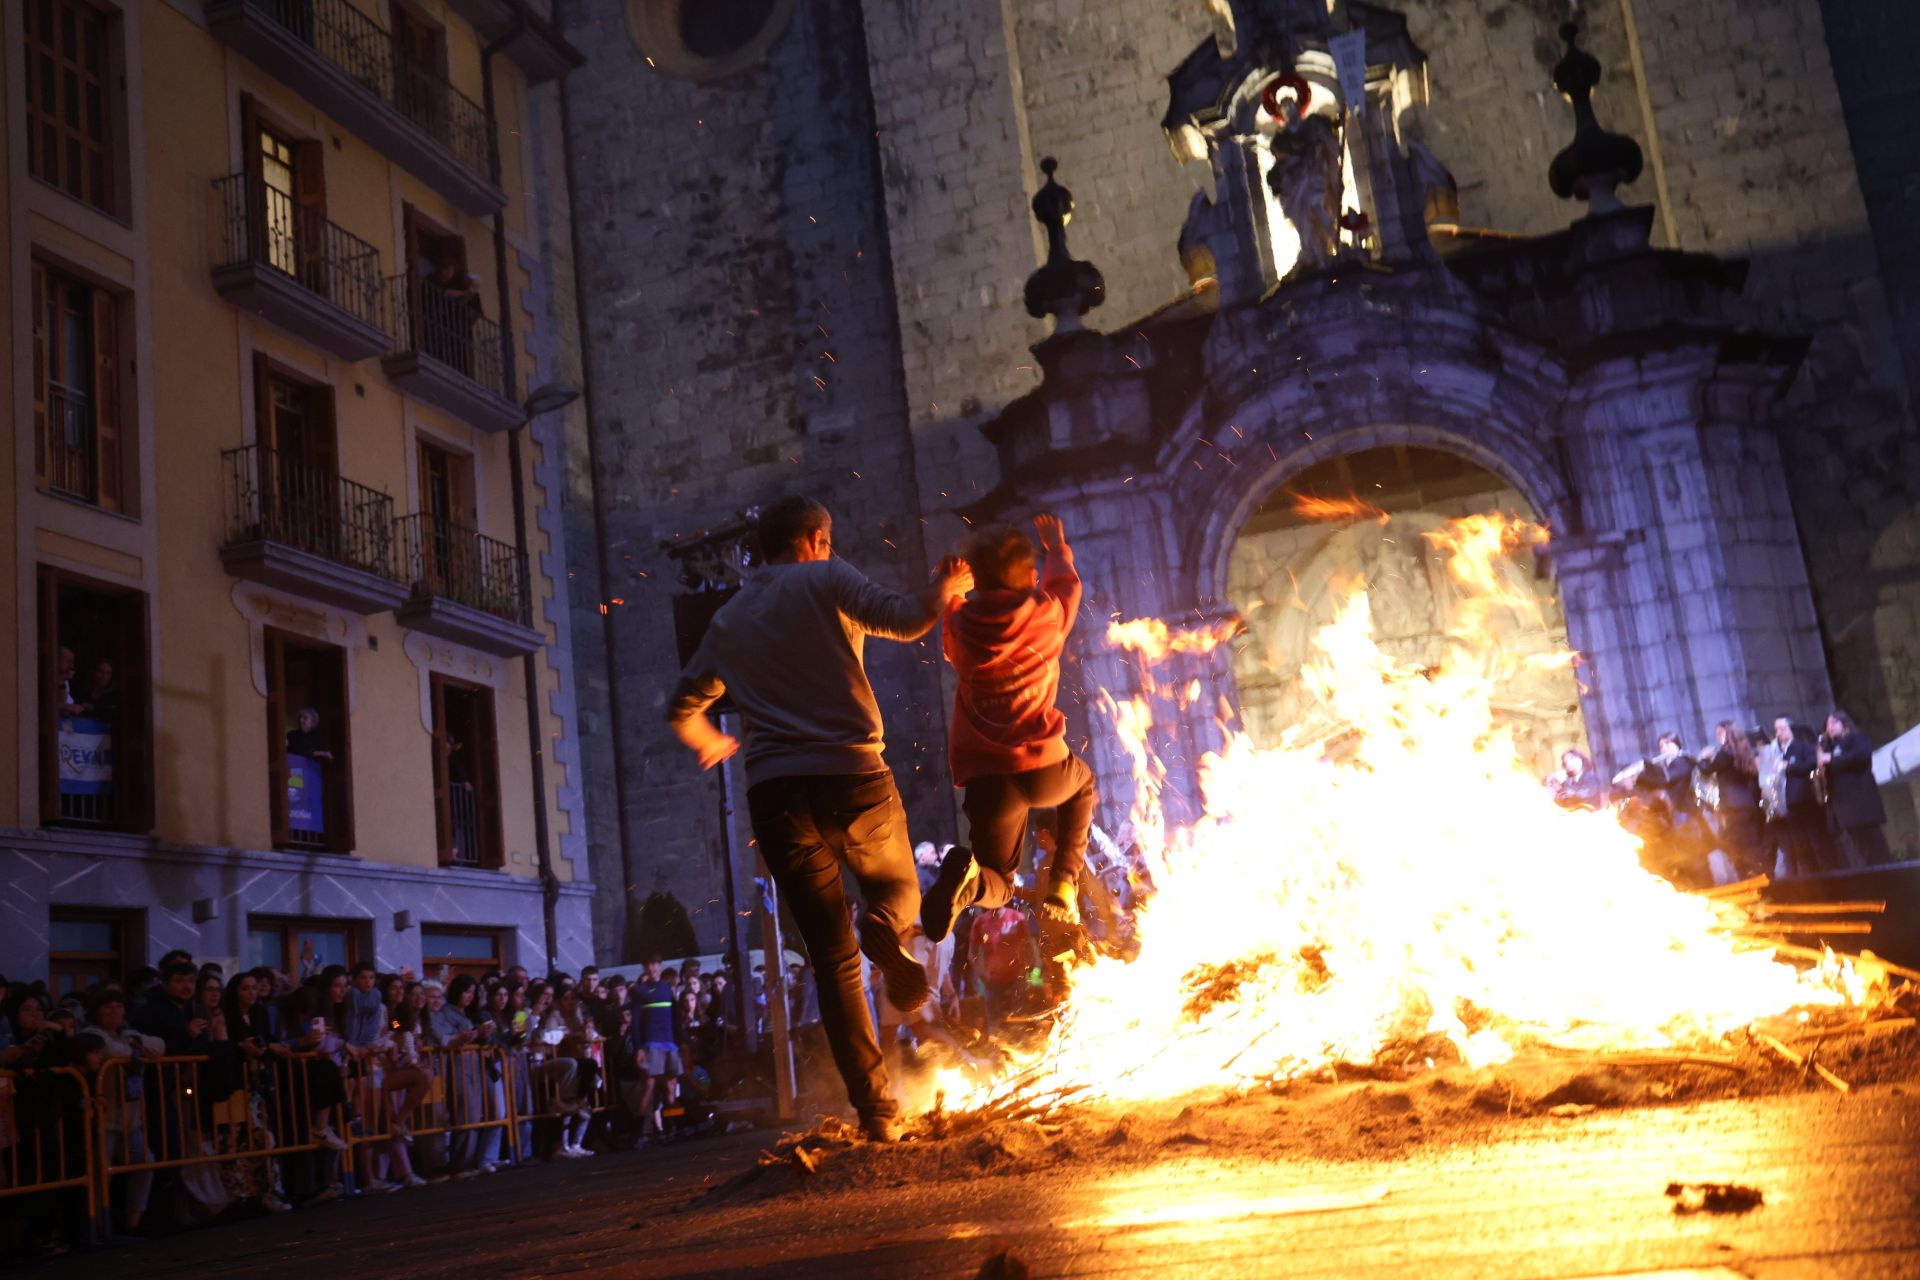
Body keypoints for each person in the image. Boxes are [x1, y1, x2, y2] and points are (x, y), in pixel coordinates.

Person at [666, 494, 971, 1141]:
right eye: (826, 541)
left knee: (831, 961)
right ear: (813, 540)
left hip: (776, 794)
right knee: (897, 892)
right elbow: (909, 618)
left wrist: (709, 741)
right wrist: (944, 588)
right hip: (852, 773)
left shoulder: (728, 617)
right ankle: (882, 925)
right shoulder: (826, 578)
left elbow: (680, 705)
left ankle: (876, 1111)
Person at [925, 514, 1097, 942]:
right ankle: (1064, 882)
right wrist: (1057, 547)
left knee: (998, 882)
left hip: (988, 779)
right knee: (1082, 786)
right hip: (1044, 766)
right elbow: (1068, 588)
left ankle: (968, 885)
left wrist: (949, 587)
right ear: (1032, 576)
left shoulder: (963, 628)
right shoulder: (1045, 616)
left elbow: (949, 626)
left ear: (976, 580)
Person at [1698, 722, 1769, 880]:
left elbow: (1705, 771)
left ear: (1727, 734)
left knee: (1740, 849)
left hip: (1733, 808)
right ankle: (1762, 878)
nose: (1718, 738)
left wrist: (1704, 758)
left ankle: (1755, 883)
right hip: (1747, 805)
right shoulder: (1742, 751)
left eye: (1720, 734)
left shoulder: (1725, 754)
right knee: (1749, 846)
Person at [1821, 710, 1891, 867]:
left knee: (1877, 851)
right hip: (1845, 809)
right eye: (1827, 725)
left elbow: (1861, 756)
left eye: (1833, 723)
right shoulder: (1828, 747)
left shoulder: (1856, 739)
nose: (1829, 727)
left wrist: (1831, 758)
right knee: (1861, 854)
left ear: (1844, 723)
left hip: (1862, 806)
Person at [623, 957, 680, 1146]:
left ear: (660, 966)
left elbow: (675, 1017)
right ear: (645, 967)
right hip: (651, 1043)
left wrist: (681, 1042)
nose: (652, 967)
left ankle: (671, 1127)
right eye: (648, 964)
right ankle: (638, 1133)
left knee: (670, 1087)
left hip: (669, 1042)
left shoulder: (666, 988)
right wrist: (639, 1047)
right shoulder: (639, 991)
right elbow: (636, 1020)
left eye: (655, 963)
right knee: (648, 1086)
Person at [1770, 716, 1833, 876]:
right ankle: (1814, 880)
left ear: (1792, 729)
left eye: (1782, 728)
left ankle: (1831, 876)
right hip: (1788, 804)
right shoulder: (1777, 751)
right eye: (1776, 729)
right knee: (1801, 846)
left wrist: (1789, 766)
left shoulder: (1802, 746)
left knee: (1818, 841)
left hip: (1805, 800)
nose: (1779, 733)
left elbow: (1811, 763)